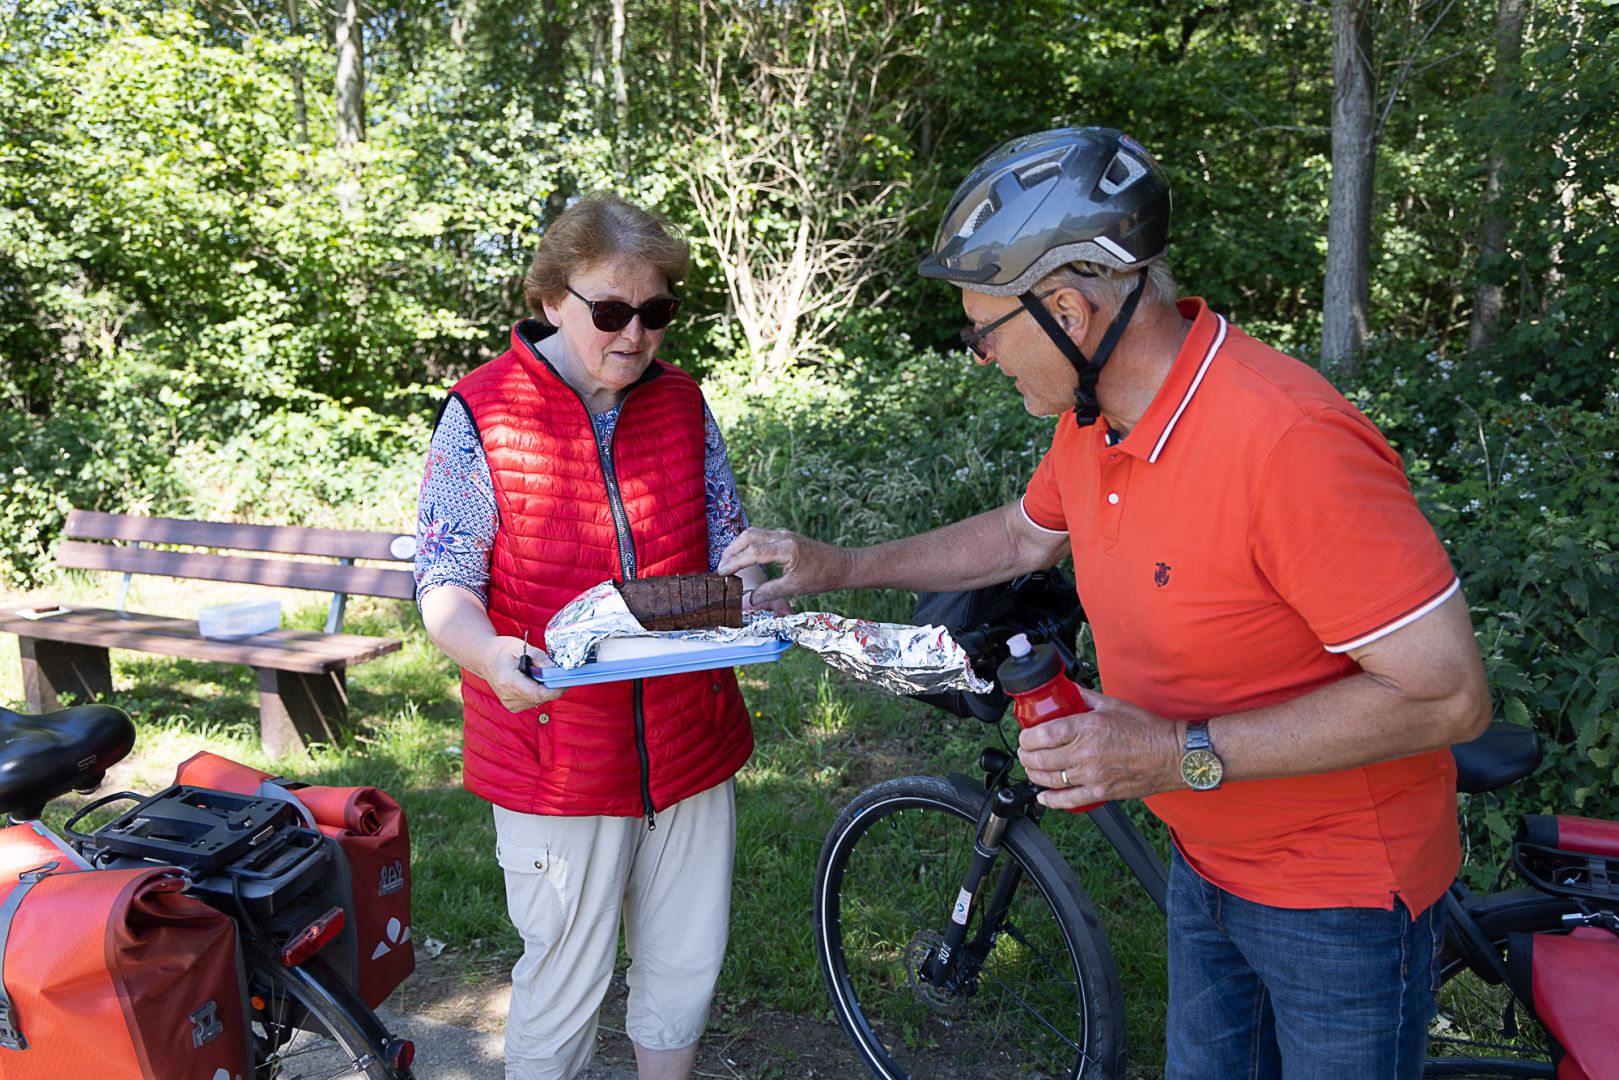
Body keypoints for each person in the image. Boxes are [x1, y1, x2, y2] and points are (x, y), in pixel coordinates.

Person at [718, 128, 1492, 1077]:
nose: (980, 357)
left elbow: (1446, 696)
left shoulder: (1288, 444)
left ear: (1067, 311)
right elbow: (1019, 538)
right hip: (1202, 856)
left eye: (983, 332)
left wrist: (1171, 751)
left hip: (1337, 896)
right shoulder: (1100, 420)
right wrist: (840, 564)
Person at [414, 192, 775, 1080]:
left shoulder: (682, 401)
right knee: (565, 978)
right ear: (550, 299)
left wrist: (756, 586)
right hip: (556, 750)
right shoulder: (483, 412)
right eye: (610, 312)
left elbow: (725, 541)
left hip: (690, 736)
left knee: (685, 963)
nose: (635, 334)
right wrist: (488, 654)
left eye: (656, 311)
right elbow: (443, 582)